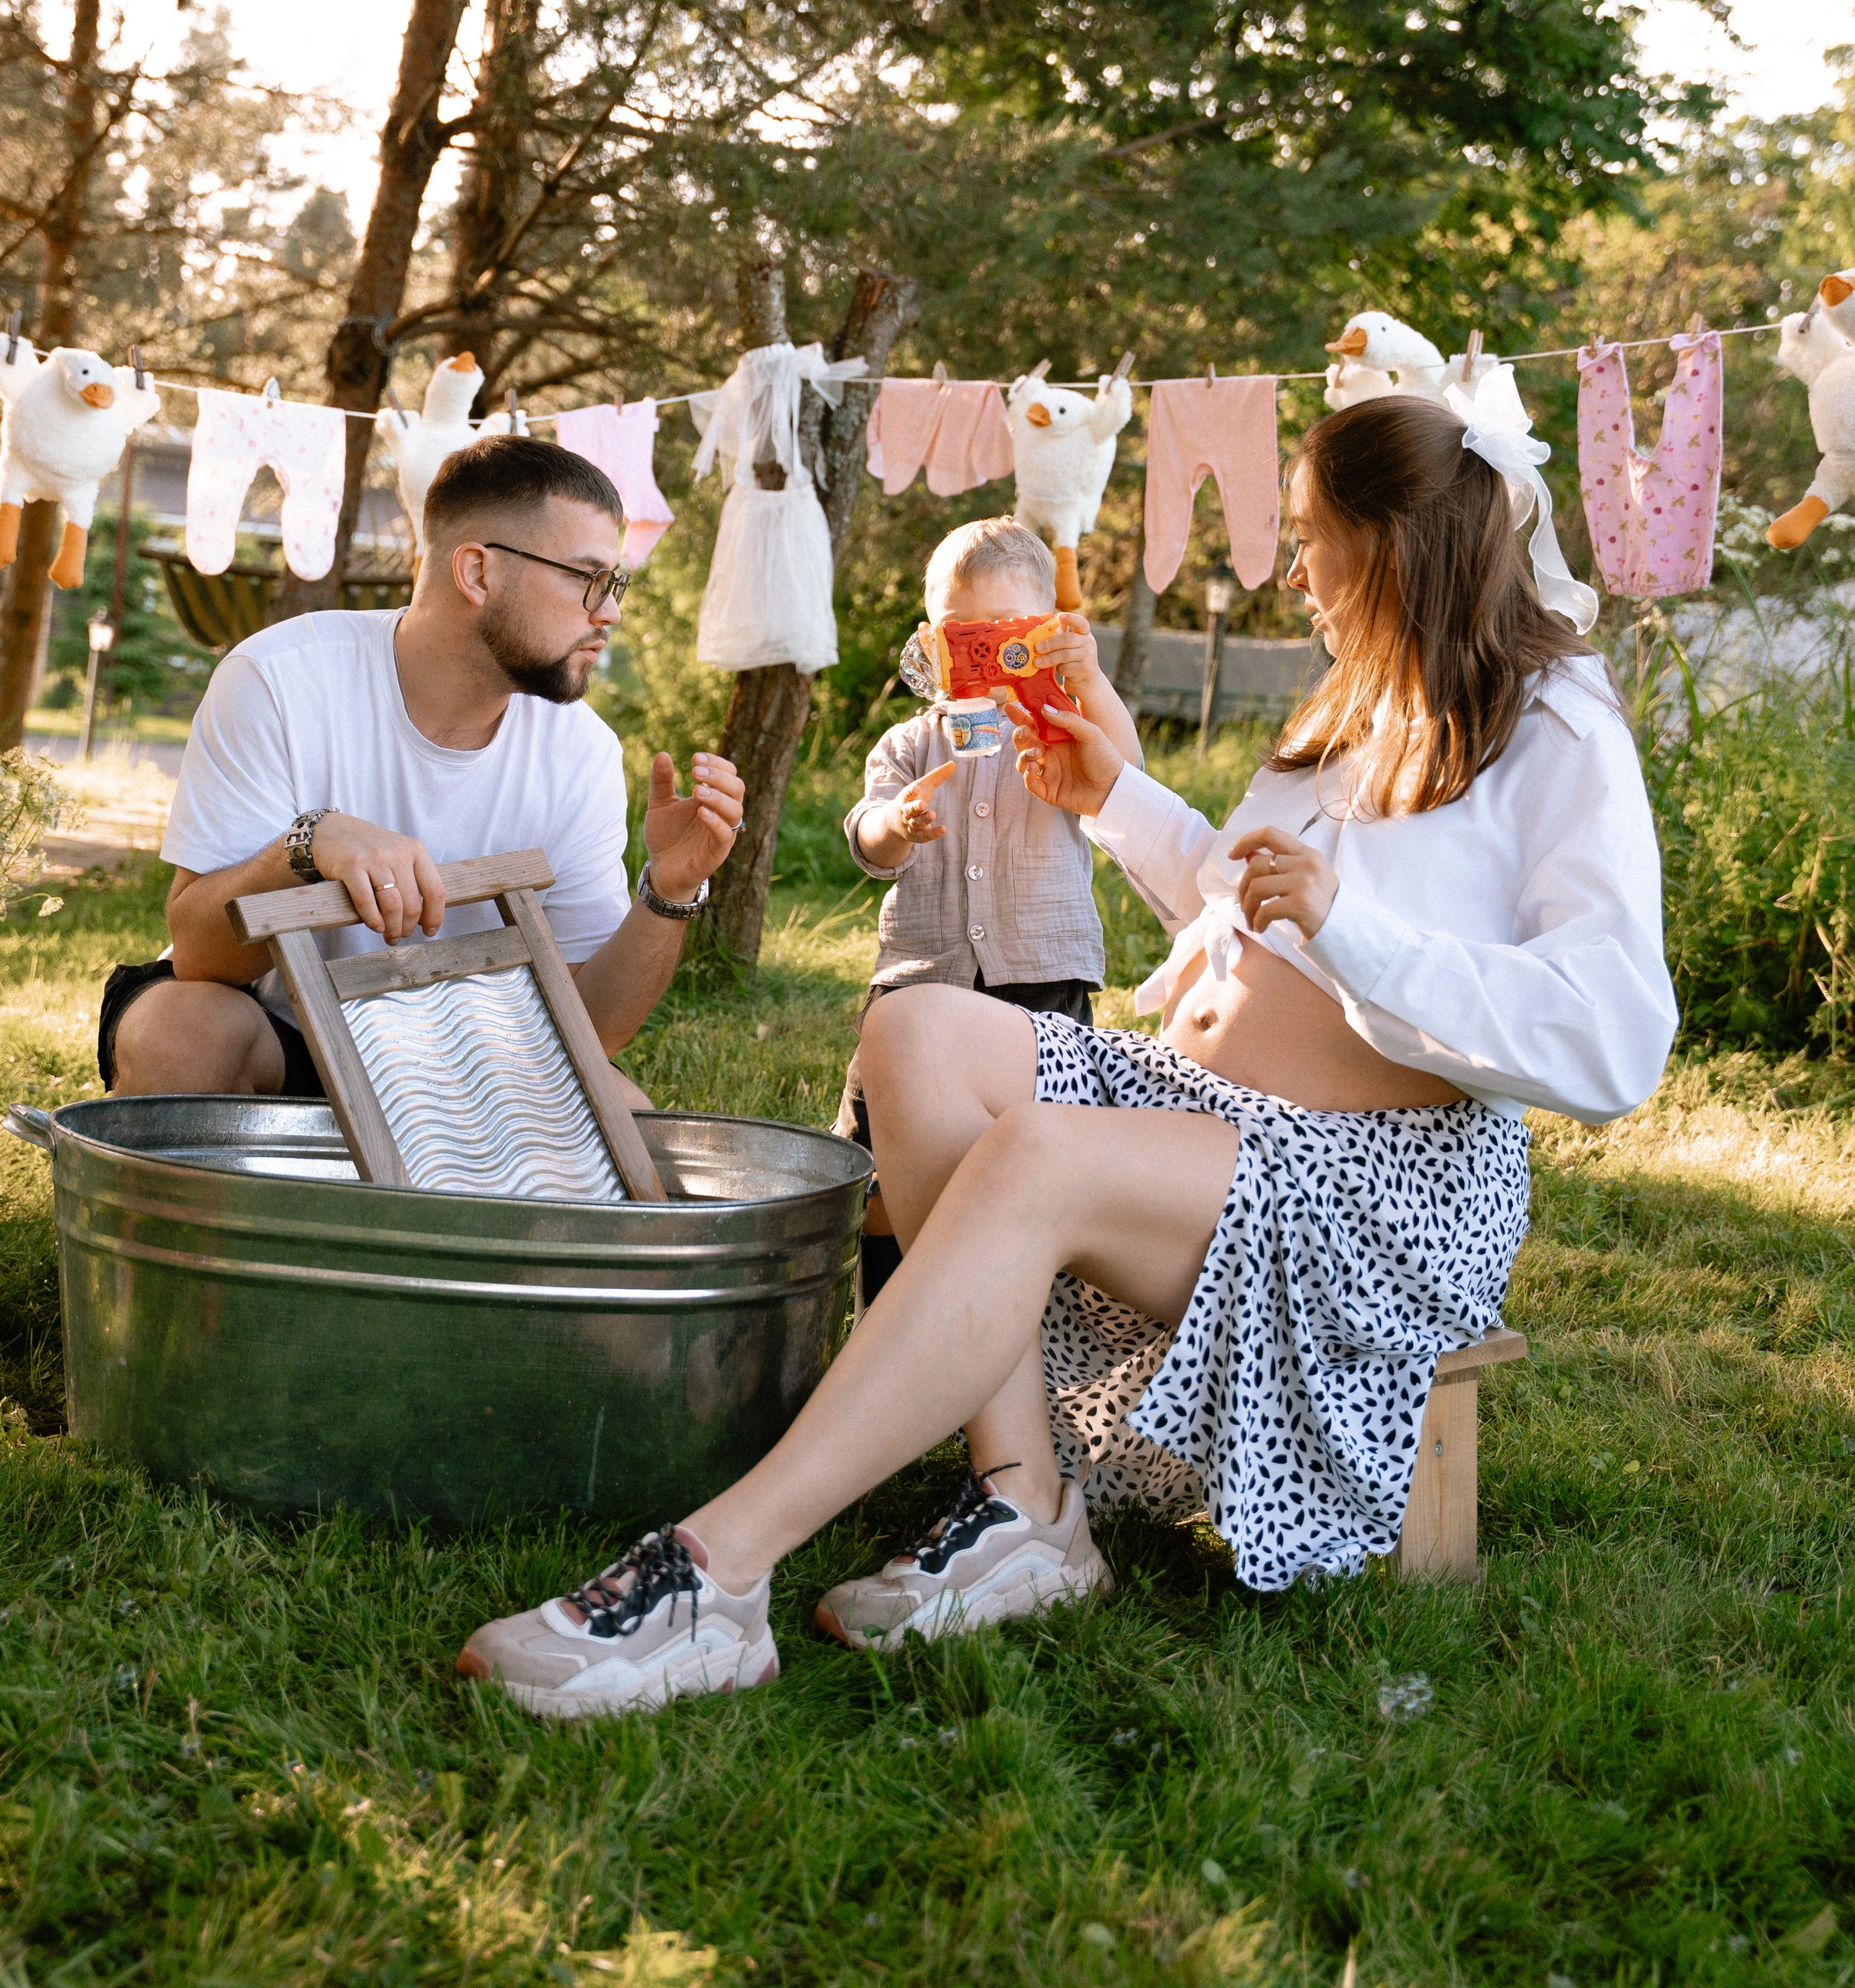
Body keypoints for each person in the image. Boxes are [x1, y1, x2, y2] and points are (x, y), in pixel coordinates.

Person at [456, 394, 1677, 1720]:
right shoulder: (1353, 706)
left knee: (1036, 1153)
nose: (1294, 569)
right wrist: (1117, 803)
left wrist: (1360, 932)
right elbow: (1246, 920)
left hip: (1379, 1192)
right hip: (1213, 1111)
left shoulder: (1551, 719)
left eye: (1316, 538)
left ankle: (717, 1573)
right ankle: (1026, 1507)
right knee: (915, 1027)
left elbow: (1615, 1038)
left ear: (1398, 545)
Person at [99, 434, 744, 1100]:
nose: (609, 611)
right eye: (587, 579)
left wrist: (669, 889)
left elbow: (592, 1033)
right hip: (279, 1035)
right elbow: (203, 954)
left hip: (466, 1066)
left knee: (628, 1116)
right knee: (180, 1032)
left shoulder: (583, 750)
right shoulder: (278, 679)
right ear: (477, 573)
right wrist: (308, 845)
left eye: (615, 584)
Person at [838, 517, 1142, 1301]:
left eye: (1000, 637)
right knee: (879, 1172)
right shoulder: (911, 744)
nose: (976, 656)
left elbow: (1131, 785)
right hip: (918, 982)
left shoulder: (1066, 731)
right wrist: (895, 825)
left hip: (1039, 981)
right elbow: (866, 840)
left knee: (1032, 1161)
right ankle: (887, 1313)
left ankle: (1021, 1323)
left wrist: (1092, 683)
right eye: (956, 637)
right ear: (929, 638)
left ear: (1045, 635)